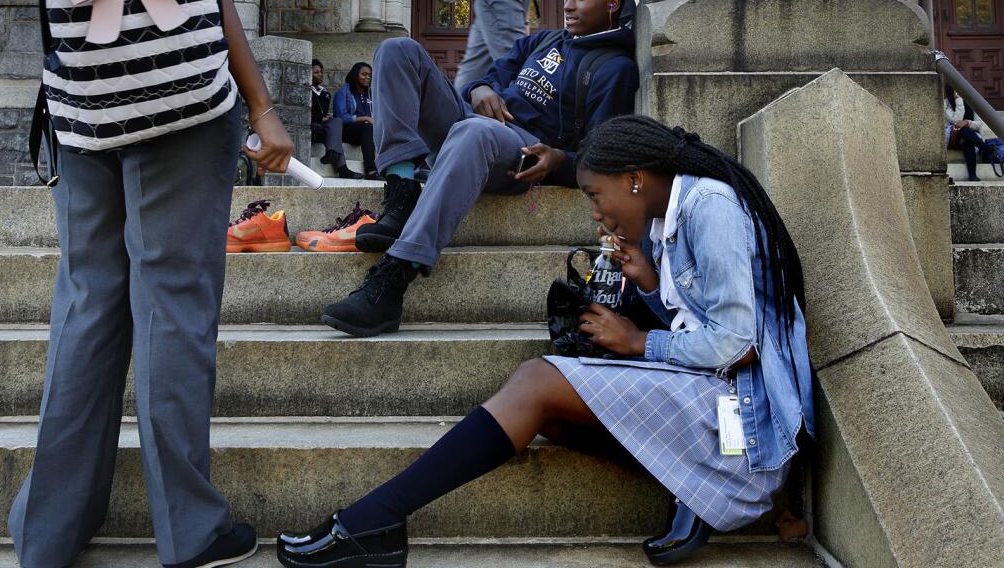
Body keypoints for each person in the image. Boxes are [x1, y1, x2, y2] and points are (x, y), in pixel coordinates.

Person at [277, 115, 815, 568]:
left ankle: (374, 522)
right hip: (715, 406)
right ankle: (697, 486)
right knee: (555, 417)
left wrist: (638, 342)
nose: (595, 212)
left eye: (594, 195)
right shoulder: (665, 219)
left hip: (746, 431)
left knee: (538, 382)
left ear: (633, 179)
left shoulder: (709, 207)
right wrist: (650, 283)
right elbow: (700, 320)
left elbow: (738, 344)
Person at [7, 0, 294, 568]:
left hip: (87, 106)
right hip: (176, 106)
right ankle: (191, 530)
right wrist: (264, 107)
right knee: (174, 301)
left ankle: (49, 531)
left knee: (89, 304)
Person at [319, 0, 639, 338]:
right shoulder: (544, 41)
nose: (568, 5)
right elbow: (486, 76)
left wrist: (558, 159)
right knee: (397, 49)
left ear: (612, 4)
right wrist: (481, 88)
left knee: (473, 133)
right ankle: (402, 192)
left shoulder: (613, 69)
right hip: (469, 124)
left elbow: (601, 156)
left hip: (518, 152)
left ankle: (393, 279)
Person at [329, 61, 376, 179]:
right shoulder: (344, 92)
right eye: (364, 74)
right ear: (355, 75)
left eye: (369, 75)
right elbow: (341, 117)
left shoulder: (370, 95)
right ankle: (370, 170)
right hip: (347, 131)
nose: (368, 77)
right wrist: (365, 118)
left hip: (367, 132)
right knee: (367, 126)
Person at [944, 84, 988, 181]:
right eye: (955, 91)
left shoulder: (972, 103)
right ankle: (985, 147)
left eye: (959, 91)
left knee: (967, 139)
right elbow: (956, 120)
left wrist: (968, 122)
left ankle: (972, 175)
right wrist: (959, 101)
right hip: (953, 136)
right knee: (962, 129)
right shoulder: (946, 104)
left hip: (968, 136)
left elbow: (980, 123)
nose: (957, 94)